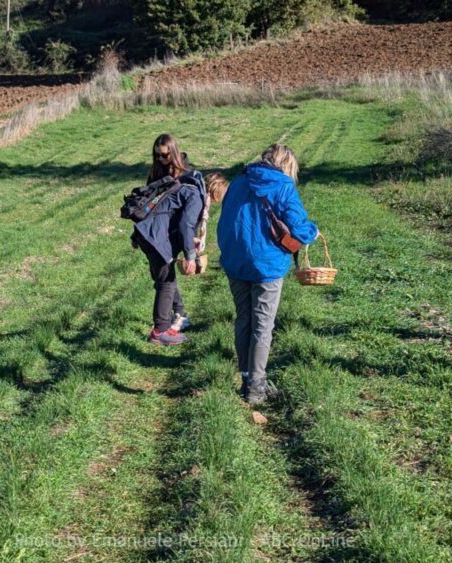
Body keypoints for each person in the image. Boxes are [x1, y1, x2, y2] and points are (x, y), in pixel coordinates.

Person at [217, 144, 319, 405]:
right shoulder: (284, 186)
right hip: (267, 266)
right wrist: (312, 233)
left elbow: (225, 221)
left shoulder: (239, 182)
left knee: (244, 320)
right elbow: (299, 228)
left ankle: (245, 377)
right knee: (262, 326)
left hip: (235, 261)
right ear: (288, 165)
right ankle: (256, 387)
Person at [134, 134, 206, 345]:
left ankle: (180, 314)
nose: (160, 160)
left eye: (164, 156)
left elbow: (185, 223)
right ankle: (160, 331)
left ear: (174, 153)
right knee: (165, 282)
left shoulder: (188, 178)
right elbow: (146, 208)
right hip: (155, 235)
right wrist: (190, 256)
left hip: (158, 235)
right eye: (156, 156)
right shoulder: (157, 174)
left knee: (165, 277)